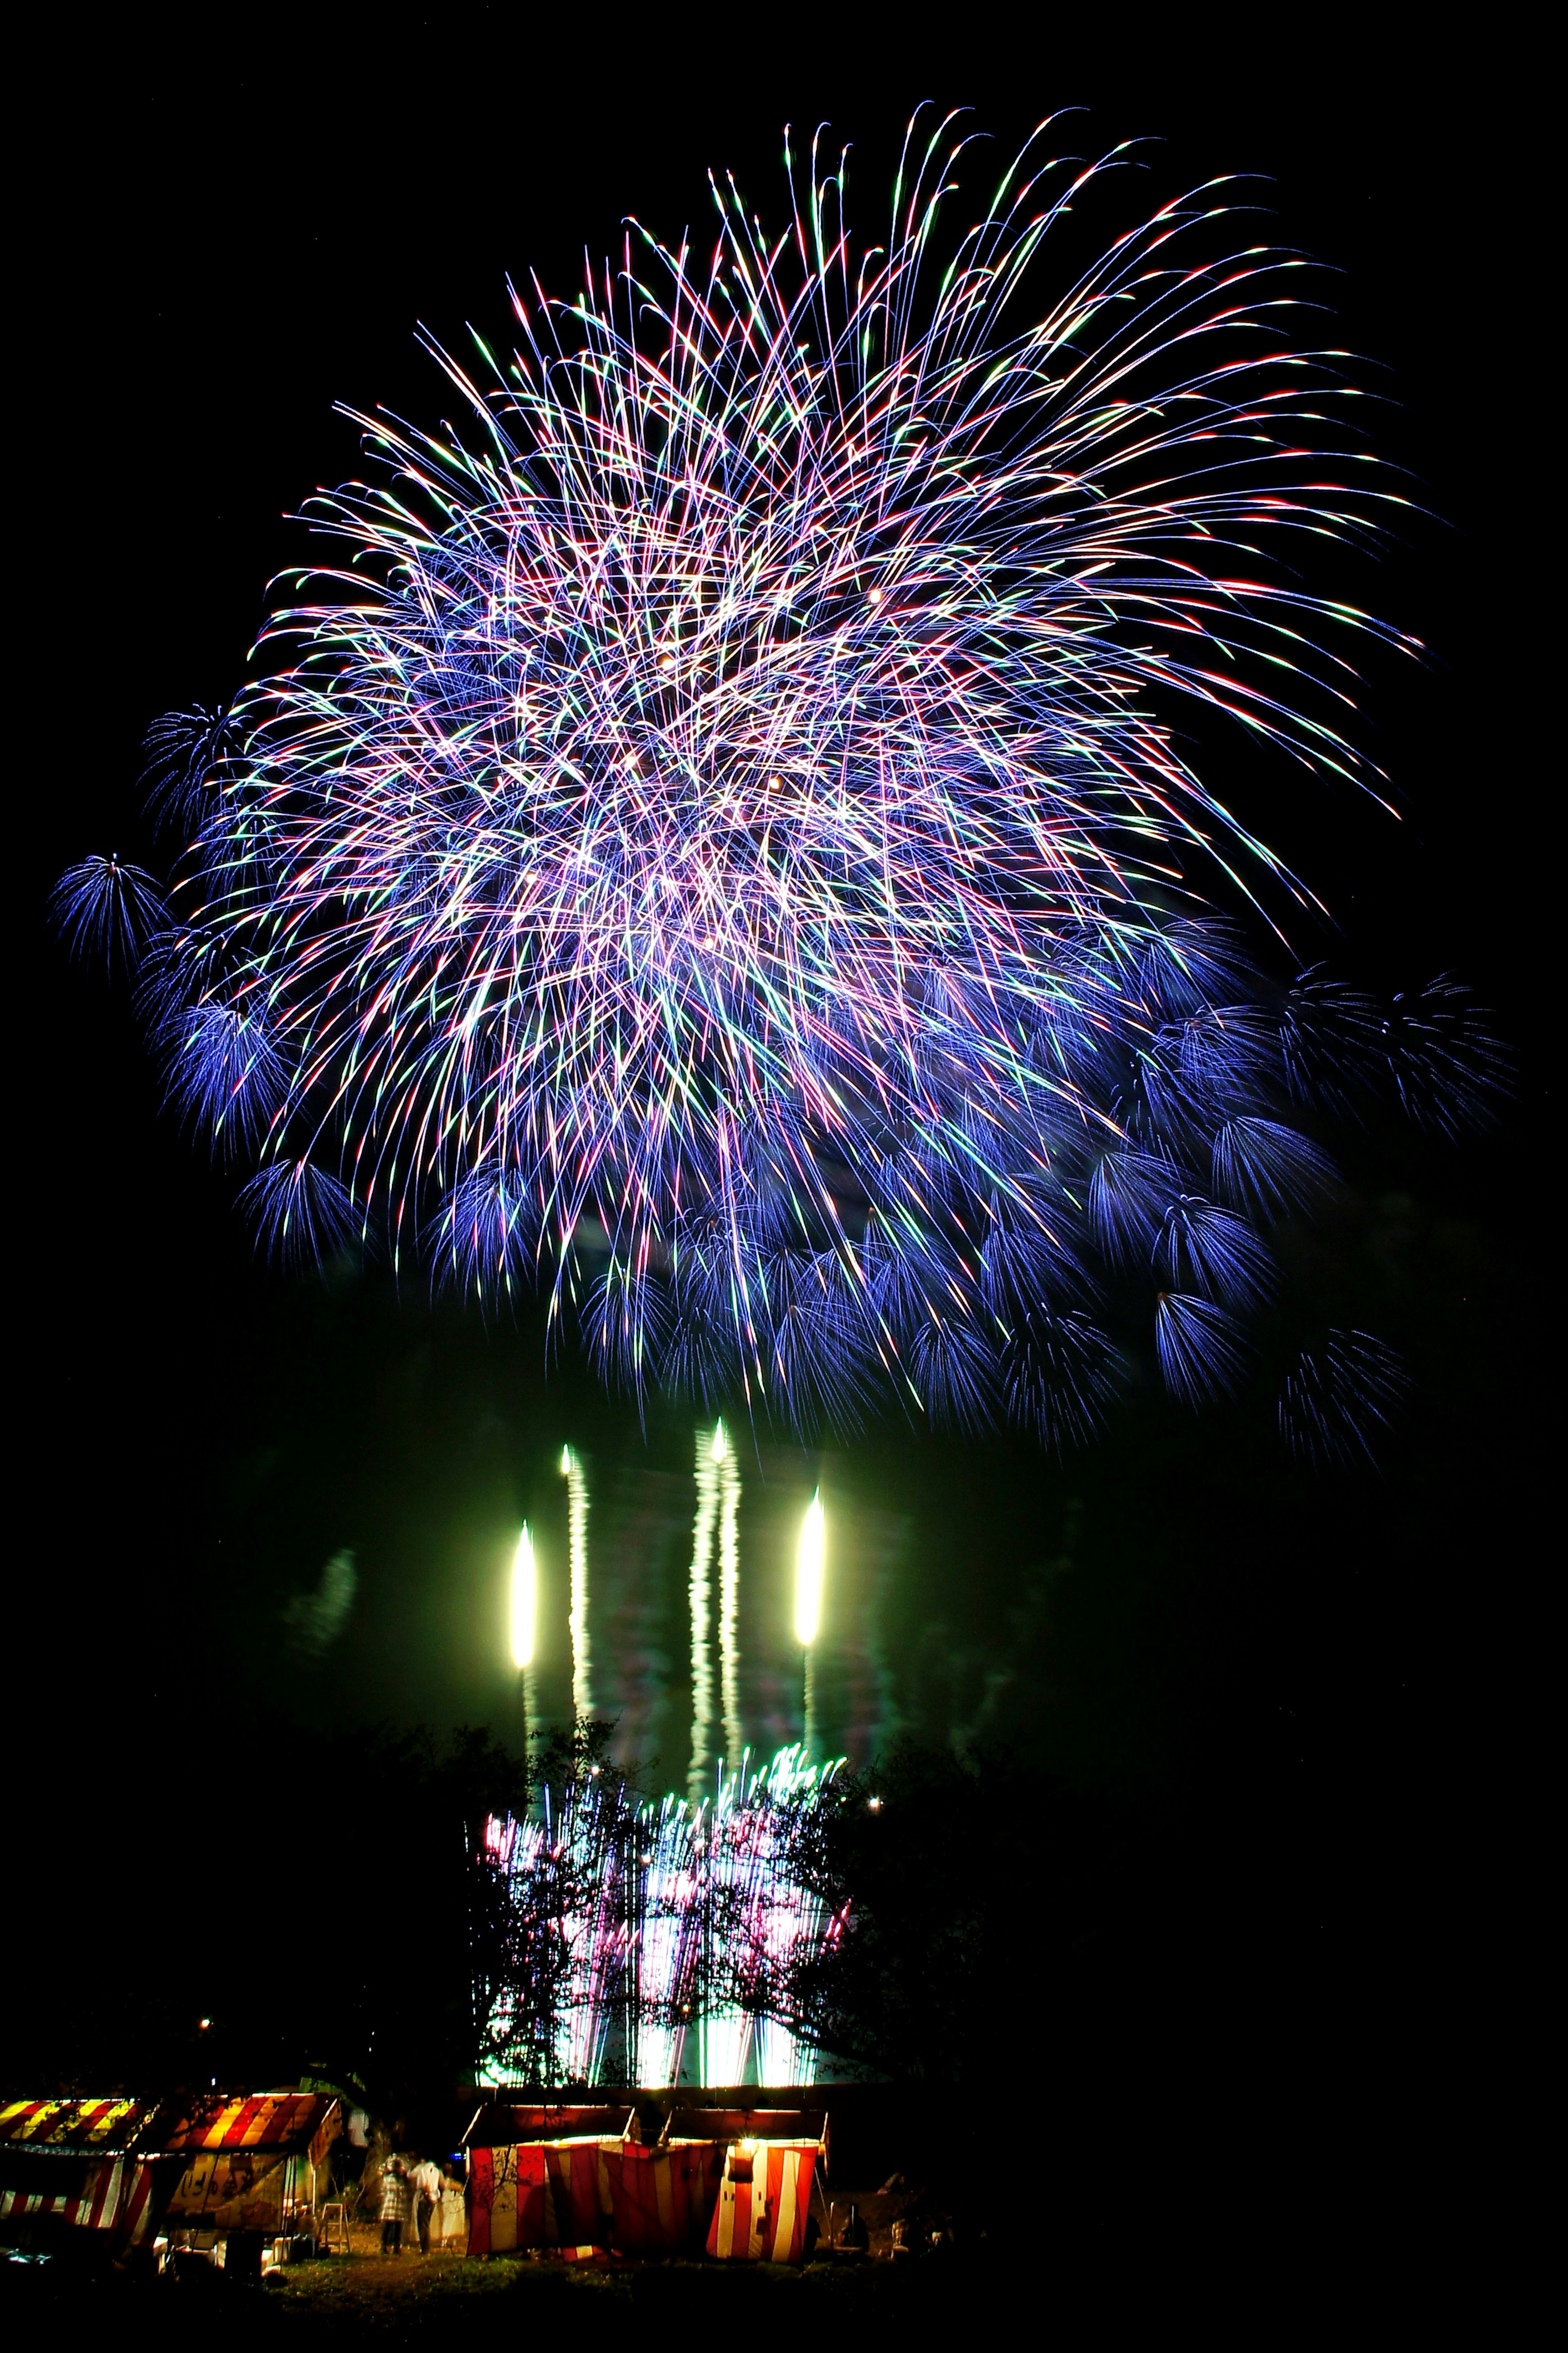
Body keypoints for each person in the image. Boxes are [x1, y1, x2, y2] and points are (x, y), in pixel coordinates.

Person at [410, 2156, 443, 2255]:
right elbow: (440, 2185)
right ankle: (426, 2247)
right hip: (434, 2198)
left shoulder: (423, 2170)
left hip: (425, 2198)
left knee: (423, 2224)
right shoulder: (437, 2171)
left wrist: (427, 2195)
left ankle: (425, 2248)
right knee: (427, 2223)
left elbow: (424, 2185)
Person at [379, 2156, 411, 2255]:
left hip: (389, 2201)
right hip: (397, 2203)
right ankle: (395, 2246)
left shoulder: (387, 2178)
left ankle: (385, 2246)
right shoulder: (400, 2180)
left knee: (388, 2225)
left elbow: (383, 2189)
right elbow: (402, 2192)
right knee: (396, 2226)